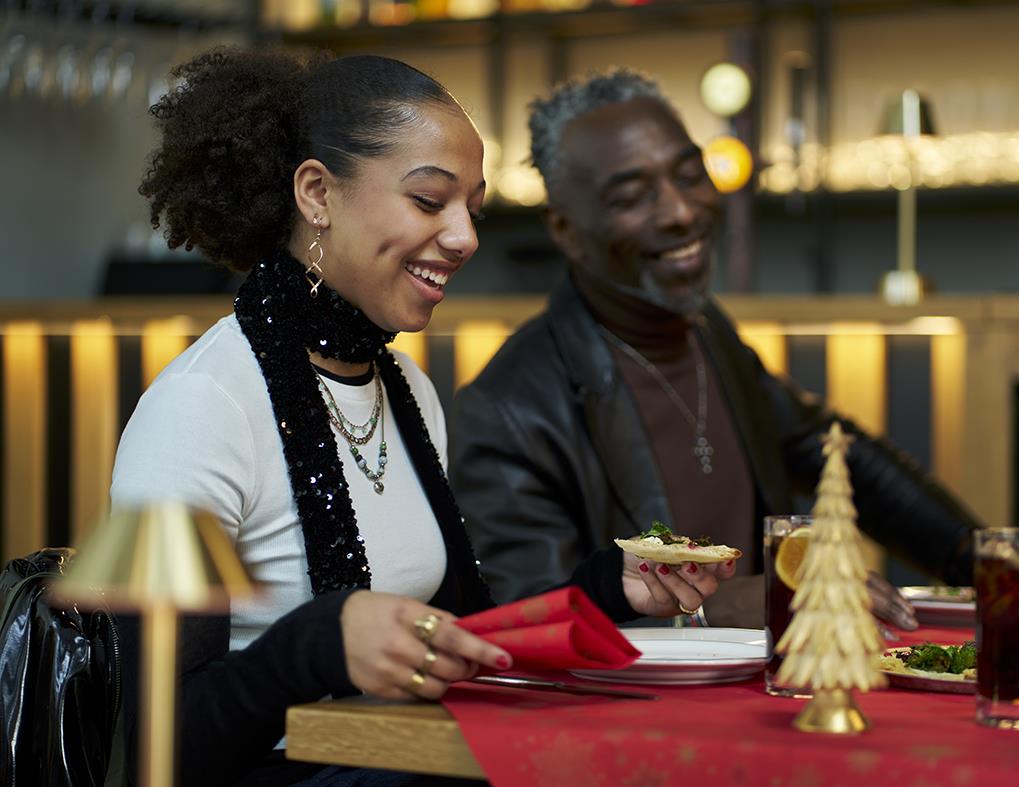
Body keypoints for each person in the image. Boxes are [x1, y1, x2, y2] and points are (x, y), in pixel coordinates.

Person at [113, 50, 733, 787]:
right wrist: (315, 643)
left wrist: (608, 588)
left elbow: (457, 641)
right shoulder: (201, 406)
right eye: (430, 200)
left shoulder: (405, 387)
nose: (466, 237)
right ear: (317, 193)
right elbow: (157, 744)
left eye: (473, 208)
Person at [448, 69, 986, 631]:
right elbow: (530, 618)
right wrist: (715, 609)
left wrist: (989, 563)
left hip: (762, 679)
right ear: (564, 229)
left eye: (690, 175)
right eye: (632, 197)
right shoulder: (508, 407)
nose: (681, 211)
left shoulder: (707, 331)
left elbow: (841, 457)